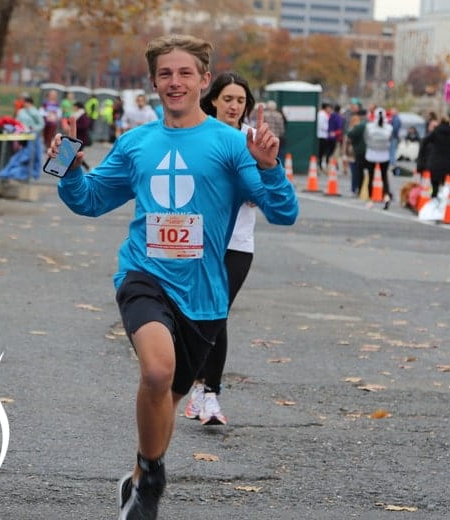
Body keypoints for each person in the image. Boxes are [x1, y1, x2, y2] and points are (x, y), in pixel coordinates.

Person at [49, 34, 298, 520]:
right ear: (154, 82)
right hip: (144, 274)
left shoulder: (231, 144)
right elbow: (91, 199)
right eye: (165, 74)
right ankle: (153, 479)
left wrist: (270, 169)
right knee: (157, 371)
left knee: (166, 396)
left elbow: (283, 212)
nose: (175, 82)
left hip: (204, 294)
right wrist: (66, 165)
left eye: (185, 73)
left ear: (204, 80)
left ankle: (140, 479)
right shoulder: (136, 142)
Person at [181, 71, 258, 426]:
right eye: (228, 99)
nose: (234, 106)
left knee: (218, 312)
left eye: (240, 101)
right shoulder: (198, 136)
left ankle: (210, 393)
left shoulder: (254, 140)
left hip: (238, 243)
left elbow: (266, 192)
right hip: (198, 239)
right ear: (213, 100)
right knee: (196, 314)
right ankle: (196, 385)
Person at [363, 108, 393, 208]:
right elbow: (390, 140)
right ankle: (386, 196)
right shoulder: (389, 128)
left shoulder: (369, 127)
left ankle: (371, 199)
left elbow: (366, 139)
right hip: (384, 154)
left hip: (371, 154)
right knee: (384, 177)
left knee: (371, 177)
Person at [346, 109, 368, 196]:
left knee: (358, 171)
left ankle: (358, 188)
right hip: (369, 151)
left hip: (359, 152)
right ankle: (364, 189)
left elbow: (350, 134)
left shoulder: (360, 126)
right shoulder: (370, 123)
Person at [316, 102, 332, 168]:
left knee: (321, 152)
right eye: (329, 108)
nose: (330, 109)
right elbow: (322, 125)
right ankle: (319, 165)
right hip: (322, 135)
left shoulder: (322, 114)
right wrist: (328, 129)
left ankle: (319, 165)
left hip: (322, 135)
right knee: (321, 152)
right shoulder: (322, 114)